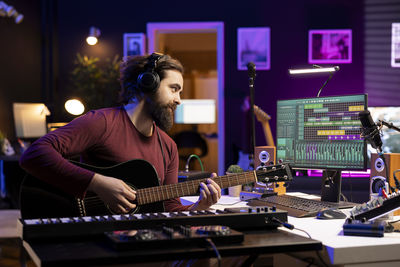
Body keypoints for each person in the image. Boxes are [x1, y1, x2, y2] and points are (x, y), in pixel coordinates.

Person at [19, 53, 221, 215]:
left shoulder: (168, 146)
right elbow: (34, 154)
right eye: (174, 89)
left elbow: (168, 208)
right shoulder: (102, 122)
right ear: (147, 84)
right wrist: (98, 183)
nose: (179, 100)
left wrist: (198, 208)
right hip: (91, 237)